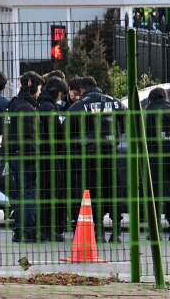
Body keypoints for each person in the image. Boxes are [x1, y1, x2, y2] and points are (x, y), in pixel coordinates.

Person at [67, 77, 125, 243]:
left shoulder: (79, 105)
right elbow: (128, 122)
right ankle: (117, 231)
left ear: (83, 90)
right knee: (114, 190)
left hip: (91, 154)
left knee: (94, 190)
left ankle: (98, 232)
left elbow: (68, 131)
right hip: (112, 152)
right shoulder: (116, 103)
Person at [7, 71, 44, 243]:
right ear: (31, 83)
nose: (39, 92)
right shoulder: (26, 107)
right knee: (30, 192)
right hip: (27, 156)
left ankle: (18, 230)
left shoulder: (15, 104)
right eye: (39, 88)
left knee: (20, 193)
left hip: (15, 154)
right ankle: (28, 231)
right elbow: (29, 137)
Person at [36, 77, 68, 242]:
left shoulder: (42, 104)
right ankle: (47, 229)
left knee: (45, 192)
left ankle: (44, 228)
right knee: (49, 193)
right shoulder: (49, 107)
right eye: (60, 94)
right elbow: (55, 133)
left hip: (44, 155)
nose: (60, 98)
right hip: (50, 156)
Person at [145, 88, 170, 239]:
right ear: (165, 98)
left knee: (152, 193)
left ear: (150, 100)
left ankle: (155, 230)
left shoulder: (146, 114)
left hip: (152, 158)